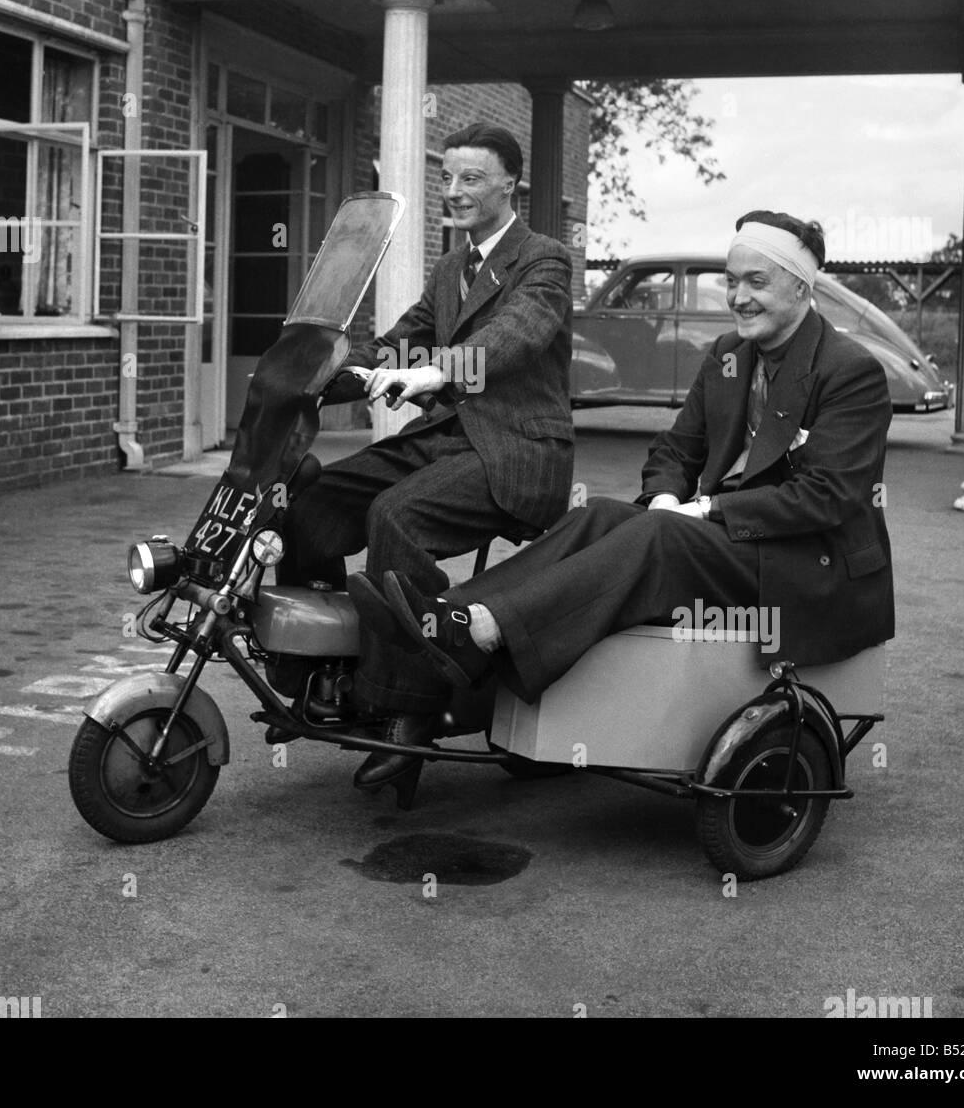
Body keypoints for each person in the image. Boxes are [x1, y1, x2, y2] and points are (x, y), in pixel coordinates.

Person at [351, 209, 895, 796]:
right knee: (600, 515)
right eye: (733, 281)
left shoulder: (851, 372)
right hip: (731, 543)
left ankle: (481, 630)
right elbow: (676, 450)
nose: (738, 297)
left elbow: (828, 499)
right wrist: (665, 493)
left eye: (756, 283)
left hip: (807, 564)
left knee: (660, 535)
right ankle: (452, 617)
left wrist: (703, 512)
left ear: (801, 286)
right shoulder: (728, 355)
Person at [277, 122, 575, 785]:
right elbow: (399, 343)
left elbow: (515, 337)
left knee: (396, 516)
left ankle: (412, 705)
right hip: (448, 439)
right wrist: (313, 377)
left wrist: (437, 372)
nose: (454, 190)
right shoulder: (450, 267)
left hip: (518, 452)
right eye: (447, 176)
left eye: (470, 177)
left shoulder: (543, 260)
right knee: (312, 496)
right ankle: (321, 667)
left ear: (509, 184)